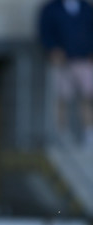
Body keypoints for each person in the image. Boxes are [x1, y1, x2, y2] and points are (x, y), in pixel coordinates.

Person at [39, 0, 93, 145]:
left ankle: (88, 132)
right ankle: (62, 134)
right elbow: (45, 32)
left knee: (87, 97)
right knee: (62, 98)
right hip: (62, 62)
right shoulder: (51, 9)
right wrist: (52, 49)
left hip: (84, 60)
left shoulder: (86, 7)